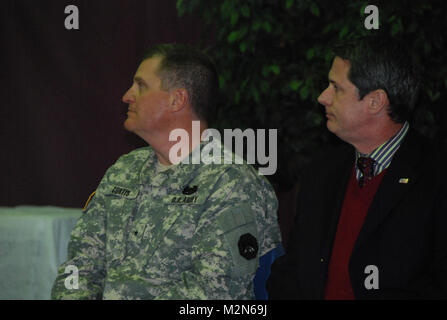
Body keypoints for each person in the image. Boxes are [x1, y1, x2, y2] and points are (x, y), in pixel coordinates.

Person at [51, 44, 280, 300]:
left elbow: (213, 292)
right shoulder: (124, 170)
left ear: (177, 100)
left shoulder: (230, 182)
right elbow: (80, 264)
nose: (127, 95)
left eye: (140, 86)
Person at [267, 35, 447, 299]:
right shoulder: (321, 172)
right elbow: (291, 273)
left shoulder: (436, 176)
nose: (322, 97)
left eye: (336, 88)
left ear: (375, 101)